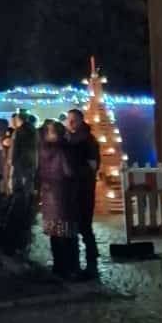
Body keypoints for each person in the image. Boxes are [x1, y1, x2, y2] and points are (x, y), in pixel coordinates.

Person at [38, 119, 79, 277]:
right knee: (67, 233)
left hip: (49, 194)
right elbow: (69, 171)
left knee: (55, 234)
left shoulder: (43, 149)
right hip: (63, 194)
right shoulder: (64, 149)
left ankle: (58, 266)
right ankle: (70, 267)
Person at [63, 106, 100, 278]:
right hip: (69, 191)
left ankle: (92, 264)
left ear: (80, 121)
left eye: (73, 119)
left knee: (85, 227)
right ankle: (73, 264)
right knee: (72, 228)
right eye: (68, 119)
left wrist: (77, 172)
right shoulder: (67, 139)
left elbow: (92, 166)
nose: (70, 122)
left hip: (83, 190)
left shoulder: (88, 140)